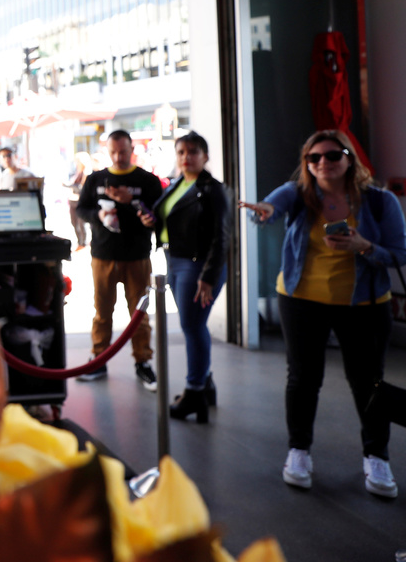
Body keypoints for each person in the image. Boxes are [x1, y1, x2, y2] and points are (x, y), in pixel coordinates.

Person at [240, 129, 406, 498]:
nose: (322, 163)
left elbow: (399, 253)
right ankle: (298, 451)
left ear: (349, 159)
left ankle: (377, 456)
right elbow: (273, 206)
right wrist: (265, 211)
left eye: (332, 155)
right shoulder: (299, 194)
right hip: (301, 299)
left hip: (363, 304)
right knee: (303, 378)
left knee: (368, 381)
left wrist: (364, 246)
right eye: (313, 158)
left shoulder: (380, 201)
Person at [141, 131, 230, 423]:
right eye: (181, 152)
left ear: (205, 156)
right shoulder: (178, 183)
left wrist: (209, 276)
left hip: (197, 264)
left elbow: (222, 237)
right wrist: (152, 220)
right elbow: (172, 218)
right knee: (193, 325)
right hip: (175, 260)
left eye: (193, 152)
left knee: (192, 327)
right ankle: (205, 383)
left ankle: (194, 392)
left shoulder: (213, 190)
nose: (186, 157)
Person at [75, 129, 163, 390]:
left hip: (137, 255)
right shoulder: (95, 179)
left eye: (123, 151)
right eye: (113, 152)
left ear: (131, 150)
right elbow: (82, 209)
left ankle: (143, 362)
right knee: (102, 312)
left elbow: (157, 216)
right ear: (107, 151)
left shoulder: (147, 180)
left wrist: (131, 201)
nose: (118, 157)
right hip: (103, 255)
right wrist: (98, 216)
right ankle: (98, 360)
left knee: (139, 314)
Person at [65, 151, 93, 250]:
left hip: (80, 201)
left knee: (82, 223)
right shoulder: (77, 172)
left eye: (77, 161)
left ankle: (83, 243)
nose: (76, 163)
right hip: (73, 200)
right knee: (74, 222)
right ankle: (79, 242)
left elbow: (82, 188)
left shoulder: (87, 173)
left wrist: (71, 186)